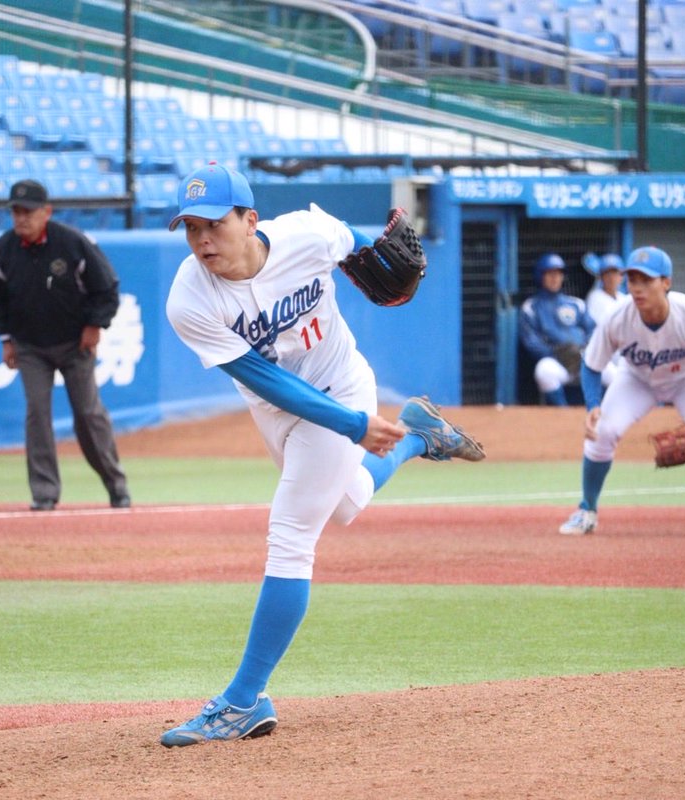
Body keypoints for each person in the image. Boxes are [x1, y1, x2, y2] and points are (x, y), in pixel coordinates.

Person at [160, 163, 484, 747]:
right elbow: (264, 379)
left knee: (291, 533)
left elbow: (364, 246)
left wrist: (382, 260)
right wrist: (357, 428)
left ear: (249, 219)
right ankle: (415, 435)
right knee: (343, 504)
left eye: (214, 223)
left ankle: (243, 700)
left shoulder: (307, 234)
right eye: (190, 228)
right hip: (282, 408)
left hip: (341, 386)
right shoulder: (189, 298)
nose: (202, 239)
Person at [557, 246, 685, 537]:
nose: (638, 288)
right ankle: (586, 510)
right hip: (636, 380)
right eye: (632, 280)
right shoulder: (617, 316)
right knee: (602, 432)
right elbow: (592, 366)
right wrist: (593, 405)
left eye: (647, 280)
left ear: (666, 283)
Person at [0, 178, 131, 510]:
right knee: (37, 413)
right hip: (30, 346)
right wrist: (6, 340)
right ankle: (45, 493)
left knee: (87, 414)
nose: (21, 218)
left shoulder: (72, 243)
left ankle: (116, 485)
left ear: (46, 212)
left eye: (28, 211)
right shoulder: (4, 250)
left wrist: (95, 325)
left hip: (74, 342)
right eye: (16, 211)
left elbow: (106, 286)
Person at [519, 253, 601, 406]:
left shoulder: (576, 304)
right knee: (544, 371)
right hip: (558, 362)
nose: (555, 278)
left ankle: (602, 413)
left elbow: (594, 331)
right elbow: (530, 341)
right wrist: (556, 353)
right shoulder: (531, 306)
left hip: (584, 360)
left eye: (558, 274)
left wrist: (584, 351)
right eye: (550, 274)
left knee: (613, 372)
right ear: (540, 276)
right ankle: (563, 414)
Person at [584, 252, 627, 324]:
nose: (612, 278)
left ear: (621, 277)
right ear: (600, 277)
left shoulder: (624, 298)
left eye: (615, 273)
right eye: (607, 274)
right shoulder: (595, 297)